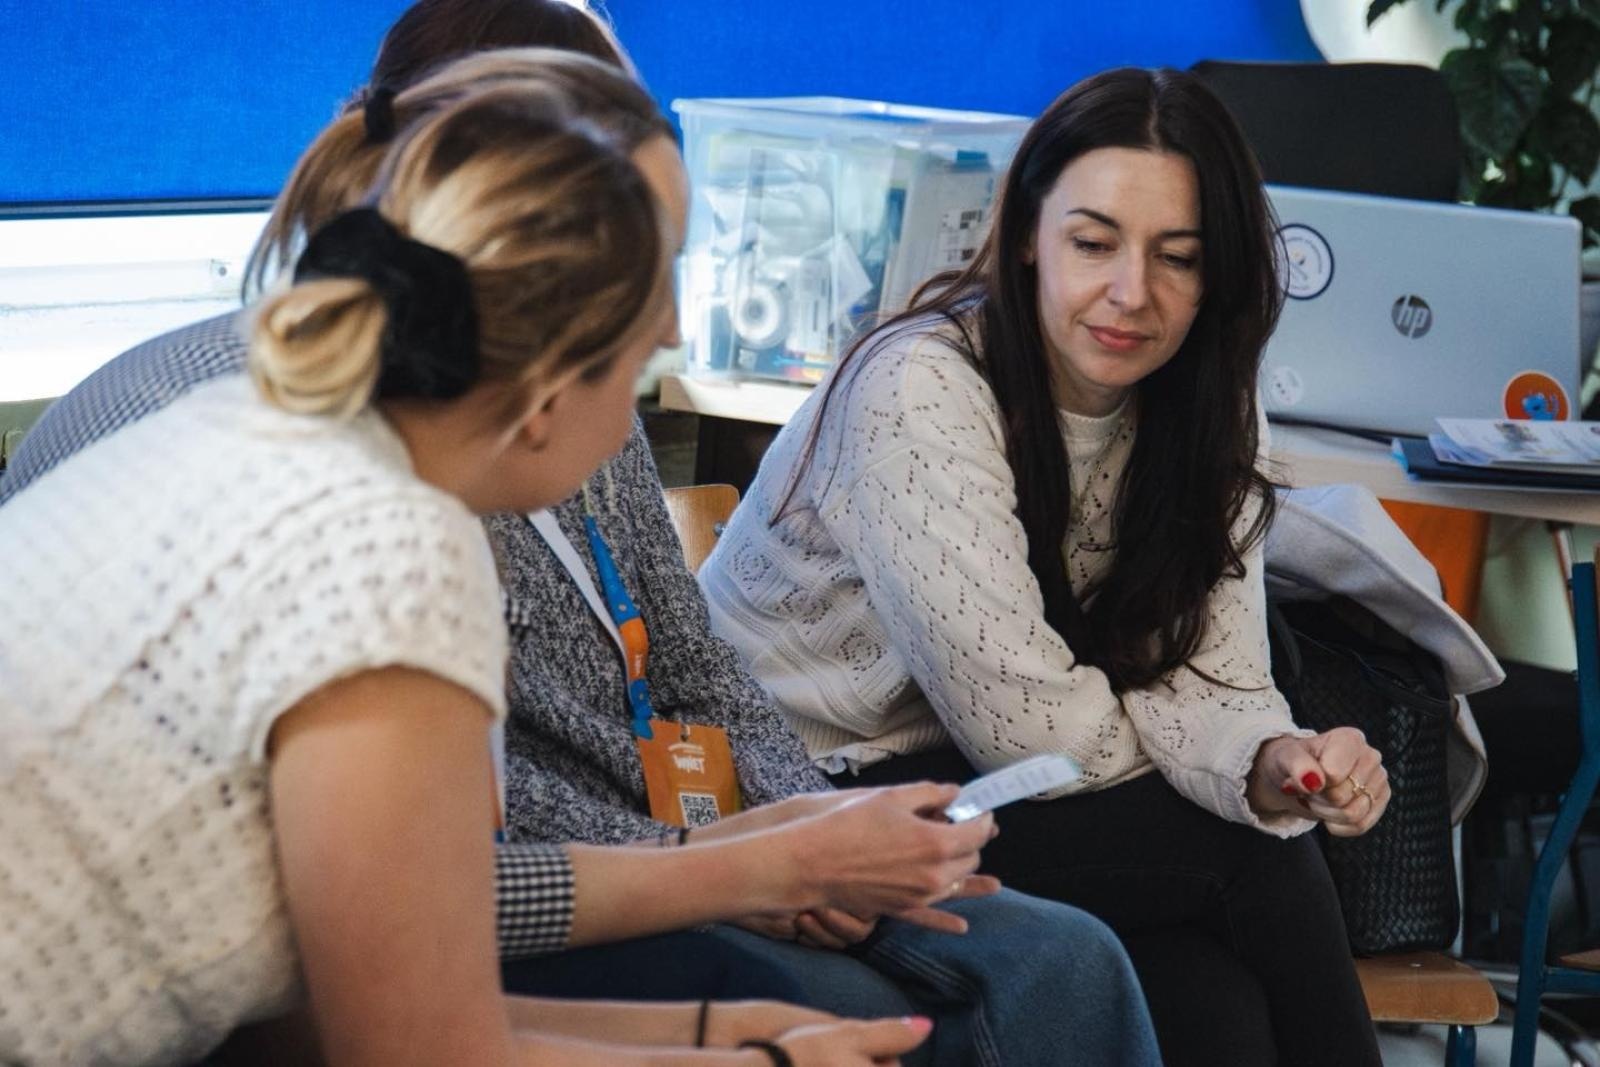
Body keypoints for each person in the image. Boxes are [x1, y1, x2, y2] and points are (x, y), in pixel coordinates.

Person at [0, 9, 1163, 1065]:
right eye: (654, 308)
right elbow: (409, 1047)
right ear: (552, 379)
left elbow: (336, 1001)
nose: (668, 331)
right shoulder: (387, 556)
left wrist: (713, 1031)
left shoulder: (285, 426)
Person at [701, 66, 1392, 1066]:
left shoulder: (1208, 403)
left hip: (1000, 782)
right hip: (812, 789)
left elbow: (1222, 674)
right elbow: (1024, 720)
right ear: (1027, 235)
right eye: (1092, 242)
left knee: (1212, 1006)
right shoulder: (920, 386)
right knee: (1244, 855)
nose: (1129, 292)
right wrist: (1223, 768)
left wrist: (1268, 757)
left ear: (1222, 272)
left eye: (1178, 257)